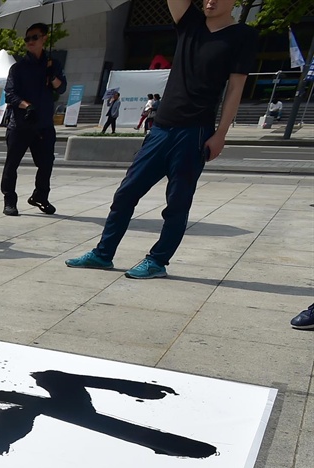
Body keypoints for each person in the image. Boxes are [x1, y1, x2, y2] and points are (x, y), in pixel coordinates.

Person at [66, 0, 256, 280]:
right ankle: (103, 254)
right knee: (126, 193)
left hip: (196, 131)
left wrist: (221, 134)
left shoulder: (243, 35)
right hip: (161, 128)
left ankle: (157, 260)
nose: (210, 1)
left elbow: (235, 89)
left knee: (177, 203)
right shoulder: (190, 22)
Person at [0, 22, 65, 217]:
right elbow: (10, 94)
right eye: (27, 38)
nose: (29, 41)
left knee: (46, 163)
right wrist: (26, 106)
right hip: (20, 124)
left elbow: (61, 88)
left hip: (44, 125)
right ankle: (9, 200)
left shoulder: (52, 64)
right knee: (12, 164)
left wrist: (52, 76)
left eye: (34, 37)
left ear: (44, 38)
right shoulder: (18, 68)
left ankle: (40, 196)